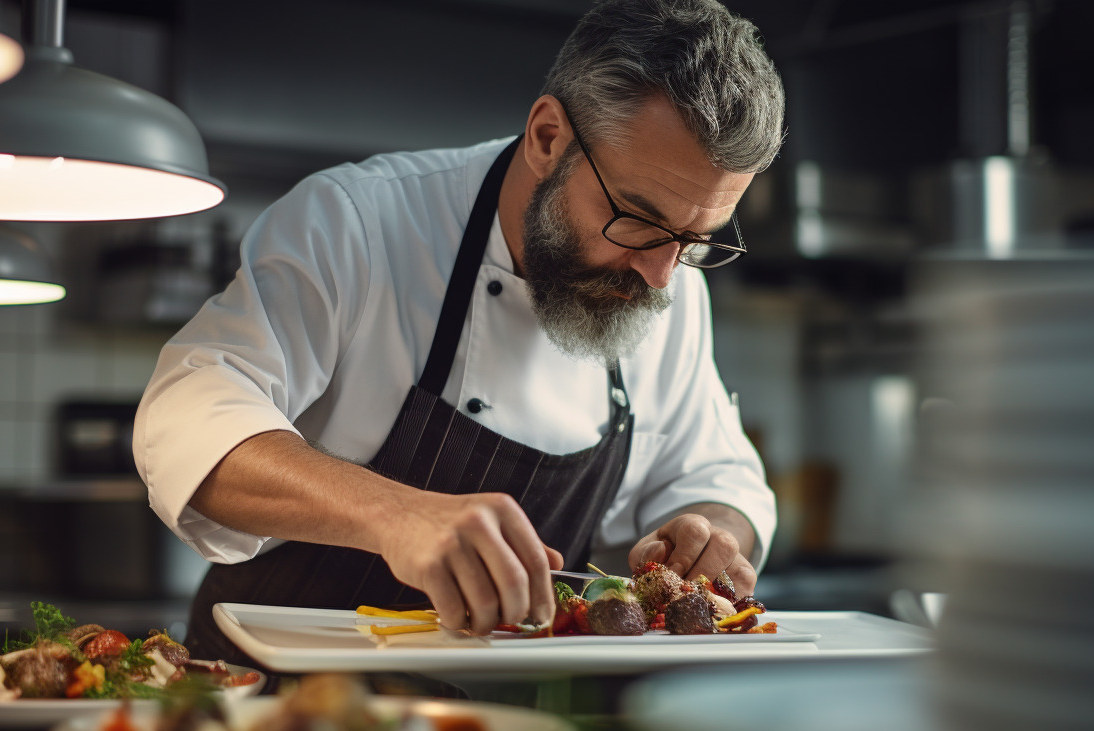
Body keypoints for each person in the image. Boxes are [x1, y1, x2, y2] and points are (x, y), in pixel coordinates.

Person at [133, 0, 785, 664]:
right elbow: (188, 418)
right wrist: (393, 514)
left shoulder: (672, 287)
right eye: (638, 221)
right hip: (272, 721)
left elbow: (717, 473)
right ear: (547, 137)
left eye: (692, 240)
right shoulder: (358, 222)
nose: (659, 276)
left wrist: (713, 531)